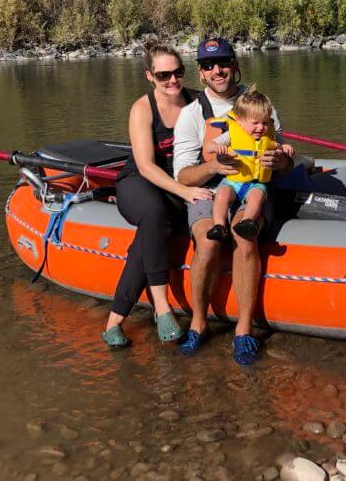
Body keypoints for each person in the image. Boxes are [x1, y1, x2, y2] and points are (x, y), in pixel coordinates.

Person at [172, 38, 293, 365]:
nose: (217, 70)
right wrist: (213, 166)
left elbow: (285, 160)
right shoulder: (191, 114)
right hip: (211, 189)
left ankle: (244, 331)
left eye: (223, 62)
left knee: (244, 234)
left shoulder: (260, 106)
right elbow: (183, 176)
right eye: (209, 65)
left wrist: (280, 162)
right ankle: (198, 322)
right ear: (201, 73)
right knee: (208, 243)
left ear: (235, 65)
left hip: (254, 188)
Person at [101, 42, 214, 348]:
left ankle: (114, 322)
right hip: (139, 181)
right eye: (164, 75)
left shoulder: (198, 101)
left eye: (178, 72)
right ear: (149, 76)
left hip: (178, 180)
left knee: (151, 233)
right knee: (153, 213)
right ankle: (162, 308)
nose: (173, 80)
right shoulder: (142, 109)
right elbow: (147, 166)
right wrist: (185, 191)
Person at [203, 87, 294, 242]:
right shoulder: (232, 133)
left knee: (257, 197)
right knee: (222, 195)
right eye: (255, 123)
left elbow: (278, 146)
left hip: (256, 184)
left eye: (265, 122)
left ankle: (248, 221)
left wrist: (285, 148)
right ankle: (219, 225)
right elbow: (208, 146)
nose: (261, 127)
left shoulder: (268, 135)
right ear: (239, 121)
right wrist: (216, 147)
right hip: (232, 182)